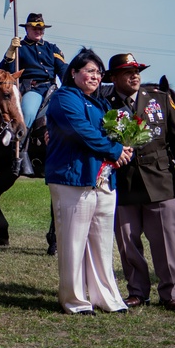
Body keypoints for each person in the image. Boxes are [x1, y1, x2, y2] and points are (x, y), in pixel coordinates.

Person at [45, 48, 132, 315]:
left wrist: (124, 149)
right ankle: (74, 300)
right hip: (74, 178)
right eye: (90, 71)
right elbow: (80, 132)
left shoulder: (101, 103)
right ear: (74, 72)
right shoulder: (64, 98)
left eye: (98, 72)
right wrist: (115, 151)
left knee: (102, 244)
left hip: (104, 181)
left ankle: (106, 298)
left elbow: (116, 131)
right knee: (73, 243)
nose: (95, 76)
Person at [102, 53, 175, 313]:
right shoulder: (105, 104)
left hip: (159, 181)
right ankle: (137, 291)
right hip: (123, 184)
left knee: (165, 242)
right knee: (128, 243)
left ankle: (171, 293)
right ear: (113, 77)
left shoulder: (160, 100)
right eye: (127, 71)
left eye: (137, 70)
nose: (135, 75)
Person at [1, 12, 67, 175]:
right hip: (33, 88)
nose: (39, 31)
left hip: (52, 88)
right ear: (27, 29)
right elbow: (5, 70)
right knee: (28, 112)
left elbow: (63, 69)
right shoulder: (20, 48)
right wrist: (10, 53)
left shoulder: (52, 48)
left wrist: (71, 86)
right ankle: (20, 151)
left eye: (41, 28)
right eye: (35, 28)